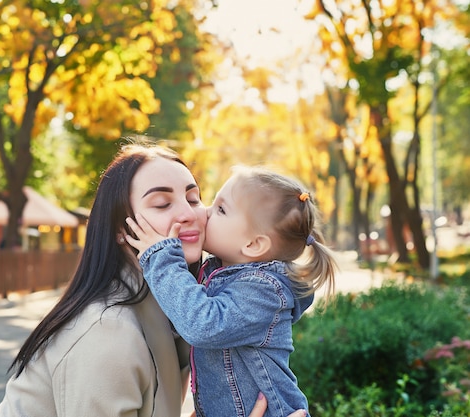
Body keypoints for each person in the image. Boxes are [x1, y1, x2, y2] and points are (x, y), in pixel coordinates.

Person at [0, 144, 306, 417]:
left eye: (194, 199)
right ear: (120, 227)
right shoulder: (107, 331)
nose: (189, 213)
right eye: (161, 204)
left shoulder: (177, 307)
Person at [125, 165, 338, 417]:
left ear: (253, 244)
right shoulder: (219, 273)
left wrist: (161, 258)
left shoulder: (263, 291)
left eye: (221, 210)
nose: (204, 212)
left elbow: (202, 324)